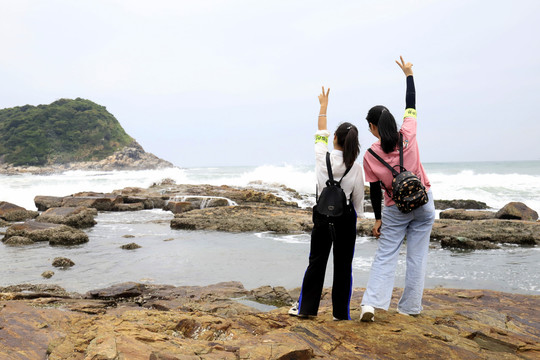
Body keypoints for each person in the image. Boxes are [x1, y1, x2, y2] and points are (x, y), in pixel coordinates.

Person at [360, 56, 435, 322]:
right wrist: (409, 74)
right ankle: (411, 307)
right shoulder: (409, 133)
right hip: (424, 203)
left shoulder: (370, 154)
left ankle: (371, 304)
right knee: (417, 257)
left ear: (372, 127)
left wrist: (378, 219)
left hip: (395, 209)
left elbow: (375, 189)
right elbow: (411, 103)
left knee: (386, 256)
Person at [289, 86, 364, 321]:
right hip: (345, 218)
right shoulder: (356, 167)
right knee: (343, 266)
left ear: (335, 139)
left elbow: (320, 131)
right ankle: (341, 314)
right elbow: (358, 199)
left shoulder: (322, 156)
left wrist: (323, 107)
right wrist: (359, 215)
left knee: (316, 262)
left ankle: (306, 310)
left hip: (322, 216)